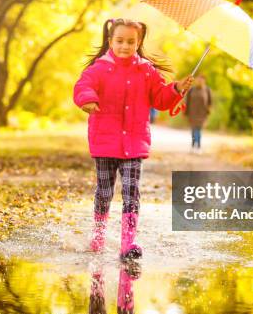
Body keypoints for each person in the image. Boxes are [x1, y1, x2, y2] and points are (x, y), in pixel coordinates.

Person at [73, 18, 193, 260]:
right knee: (104, 191)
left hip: (134, 143)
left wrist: (176, 89)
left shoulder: (146, 71)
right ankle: (98, 235)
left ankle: (128, 242)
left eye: (130, 41)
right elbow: (83, 85)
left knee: (131, 191)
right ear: (110, 41)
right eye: (119, 41)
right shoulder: (98, 68)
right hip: (105, 141)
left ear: (138, 43)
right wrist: (88, 99)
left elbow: (159, 98)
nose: (125, 46)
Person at [184, 75, 212, 154]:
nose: (200, 81)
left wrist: (208, 111)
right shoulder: (192, 90)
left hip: (202, 114)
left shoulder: (207, 90)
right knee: (193, 130)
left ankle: (198, 146)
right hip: (192, 113)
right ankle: (193, 146)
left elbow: (210, 102)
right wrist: (186, 113)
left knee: (198, 130)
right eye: (198, 80)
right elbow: (187, 102)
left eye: (201, 80)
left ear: (204, 81)